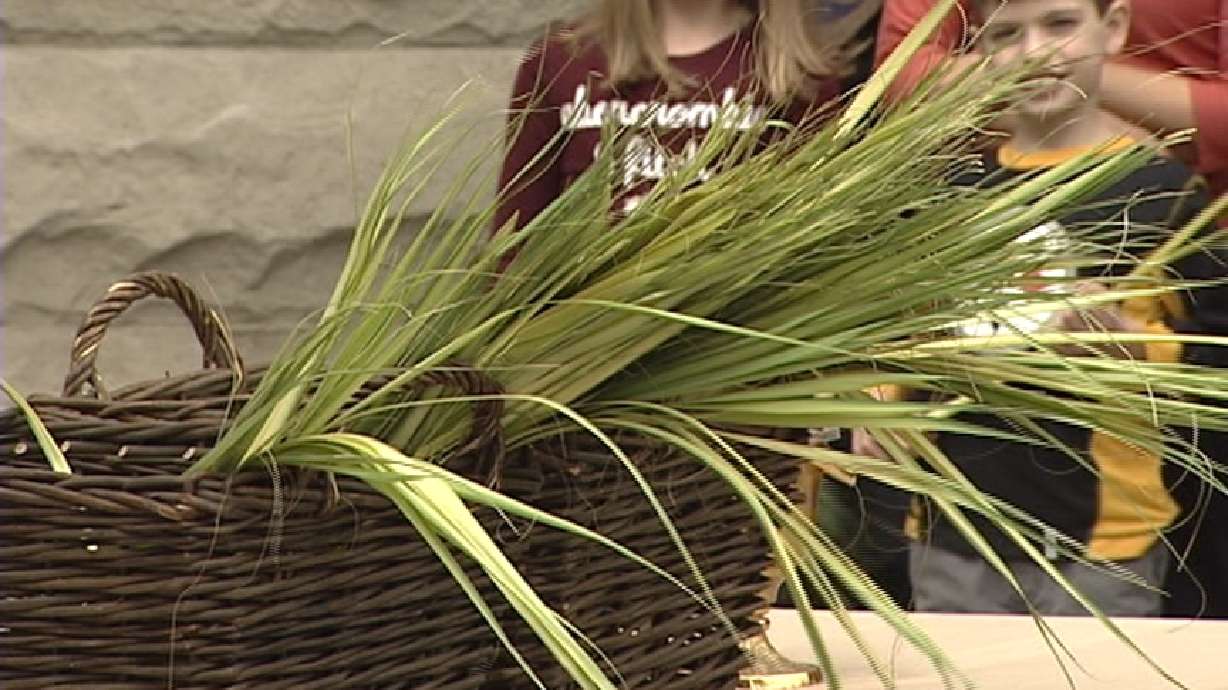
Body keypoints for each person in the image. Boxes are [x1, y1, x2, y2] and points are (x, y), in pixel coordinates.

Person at [494, 2, 846, 687]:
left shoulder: (795, 71)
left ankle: (738, 633)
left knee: (732, 519)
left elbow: (816, 247)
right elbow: (515, 239)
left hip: (737, 374)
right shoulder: (561, 61)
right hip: (595, 376)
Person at [856, 0, 1228, 616]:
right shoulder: (950, 195)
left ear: (1113, 28)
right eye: (1006, 34)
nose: (1035, 53)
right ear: (978, 50)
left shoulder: (1163, 195)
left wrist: (1135, 349)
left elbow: (1210, 363)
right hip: (955, 529)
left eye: (1060, 24)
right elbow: (913, 331)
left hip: (1104, 541)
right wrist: (878, 398)